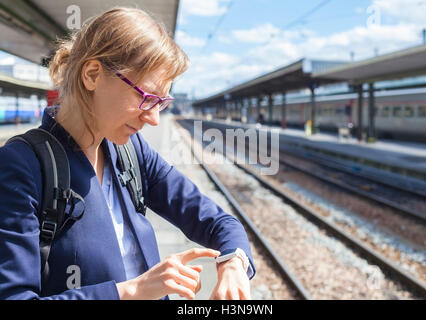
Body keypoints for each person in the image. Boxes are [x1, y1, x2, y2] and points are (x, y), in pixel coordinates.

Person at [0, 7, 254, 300]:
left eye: (162, 102)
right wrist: (131, 291)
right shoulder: (21, 166)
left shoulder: (131, 152)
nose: (154, 119)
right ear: (92, 74)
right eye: (146, 97)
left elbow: (218, 222)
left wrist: (234, 262)